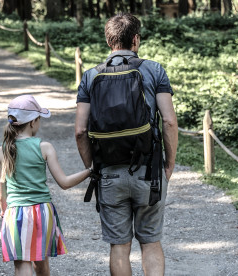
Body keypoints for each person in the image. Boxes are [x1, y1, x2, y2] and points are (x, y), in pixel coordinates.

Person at [75, 13, 178, 276]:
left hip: (108, 172)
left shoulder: (90, 76)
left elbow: (80, 130)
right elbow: (169, 121)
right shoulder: (154, 70)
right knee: (151, 241)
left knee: (119, 247)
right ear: (135, 39)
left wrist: (92, 167)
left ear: (109, 41)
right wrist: (168, 165)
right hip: (149, 172)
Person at [0, 95, 92, 276]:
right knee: (41, 261)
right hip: (42, 213)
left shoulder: (2, 151)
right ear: (33, 122)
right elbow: (64, 183)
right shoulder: (44, 147)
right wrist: (90, 171)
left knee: (22, 264)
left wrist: (3, 209)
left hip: (15, 213)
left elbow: (1, 195)